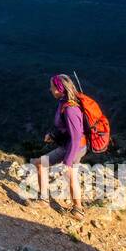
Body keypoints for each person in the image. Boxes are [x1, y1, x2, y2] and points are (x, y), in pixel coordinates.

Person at [32, 73, 86, 215]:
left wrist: (67, 161)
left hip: (74, 147)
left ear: (59, 88)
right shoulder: (64, 102)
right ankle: (76, 208)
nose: (50, 89)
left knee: (69, 173)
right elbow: (66, 129)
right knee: (40, 164)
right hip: (72, 145)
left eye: (52, 87)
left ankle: (78, 209)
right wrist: (53, 135)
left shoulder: (70, 109)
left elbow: (75, 137)